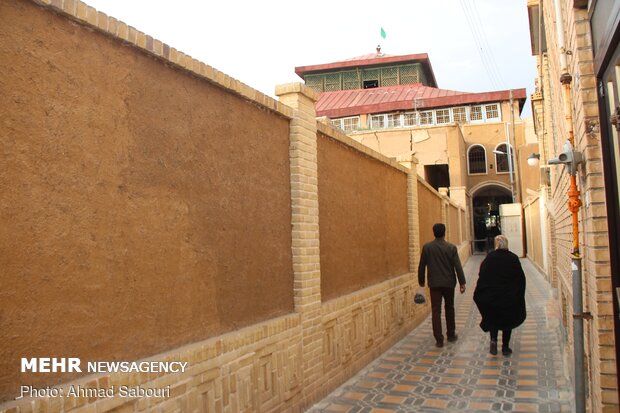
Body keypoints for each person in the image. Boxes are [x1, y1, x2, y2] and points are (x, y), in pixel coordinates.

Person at [473, 234, 526, 356]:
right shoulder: (513, 258)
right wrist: (518, 294)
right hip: (509, 297)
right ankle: (505, 347)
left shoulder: (490, 258)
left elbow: (482, 275)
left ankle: (493, 340)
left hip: (493, 297)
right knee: (508, 322)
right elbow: (520, 279)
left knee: (493, 318)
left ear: (496, 245)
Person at [418, 223, 466, 347]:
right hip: (449, 283)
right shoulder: (451, 247)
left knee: (436, 310)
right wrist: (462, 282)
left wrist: (421, 282)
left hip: (434, 284)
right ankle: (451, 334)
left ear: (434, 233)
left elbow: (421, 266)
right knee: (449, 308)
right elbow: (457, 266)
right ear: (444, 232)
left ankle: (439, 339)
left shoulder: (427, 248)